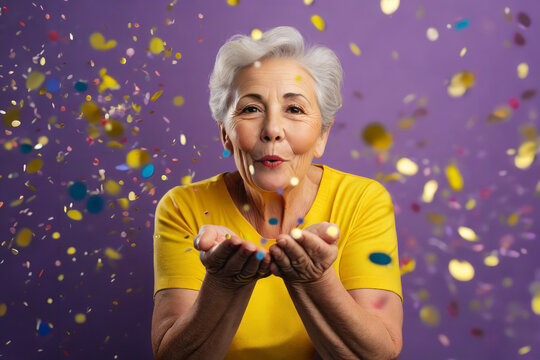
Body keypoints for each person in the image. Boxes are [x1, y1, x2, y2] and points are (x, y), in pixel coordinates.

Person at [151, 26, 403, 360]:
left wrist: (314, 280)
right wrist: (225, 283)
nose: (272, 130)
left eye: (295, 110)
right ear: (226, 134)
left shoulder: (363, 201)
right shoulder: (183, 206)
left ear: (322, 136)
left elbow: (377, 355)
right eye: (251, 109)